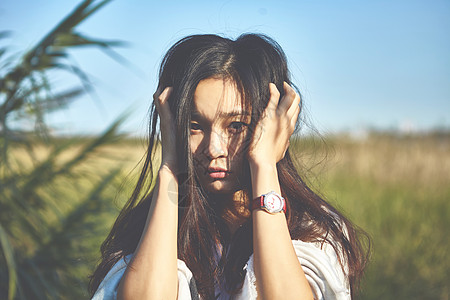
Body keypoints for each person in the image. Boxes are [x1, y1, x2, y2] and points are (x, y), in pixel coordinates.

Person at [89, 33, 369, 300]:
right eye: (195, 126)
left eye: (236, 126)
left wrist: (264, 166)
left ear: (271, 126)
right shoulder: (157, 226)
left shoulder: (312, 230)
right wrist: (171, 171)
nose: (214, 149)